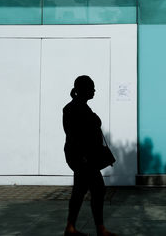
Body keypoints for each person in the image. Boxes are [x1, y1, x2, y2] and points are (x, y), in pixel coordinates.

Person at [63, 75, 116, 236]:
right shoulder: (71, 108)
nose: (94, 90)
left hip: (87, 157)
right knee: (98, 189)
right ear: (82, 89)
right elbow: (72, 134)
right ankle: (99, 229)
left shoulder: (83, 107)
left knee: (80, 190)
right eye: (91, 87)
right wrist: (83, 156)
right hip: (82, 158)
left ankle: (71, 228)